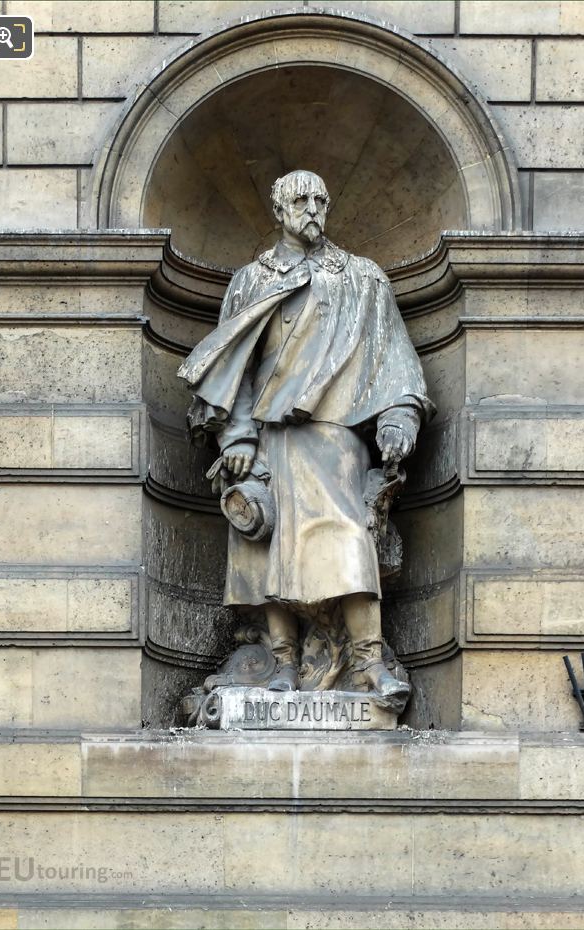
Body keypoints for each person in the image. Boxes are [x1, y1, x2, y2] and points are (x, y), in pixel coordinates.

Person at [178, 170, 435, 701]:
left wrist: (397, 417)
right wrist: (238, 440)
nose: (313, 207)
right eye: (300, 199)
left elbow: (393, 361)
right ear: (278, 210)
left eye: (321, 198)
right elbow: (235, 370)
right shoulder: (252, 280)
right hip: (269, 441)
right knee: (265, 549)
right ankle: (282, 666)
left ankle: (369, 663)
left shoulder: (362, 278)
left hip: (335, 437)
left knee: (349, 541)